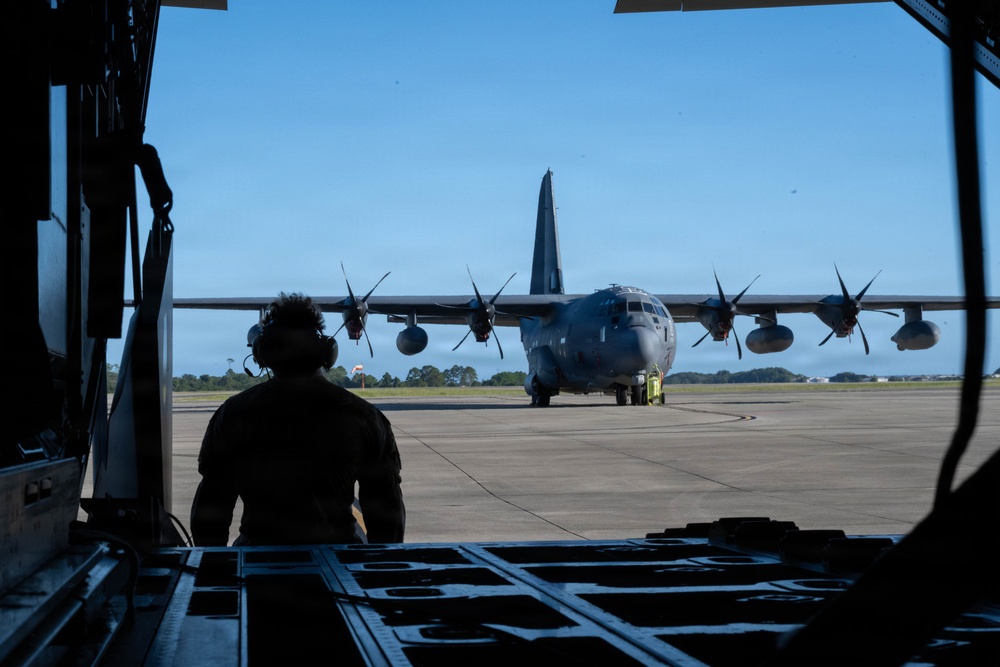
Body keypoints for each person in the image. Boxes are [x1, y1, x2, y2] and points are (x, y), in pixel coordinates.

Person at [190, 292, 405, 546]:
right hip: (340, 558)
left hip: (256, 563)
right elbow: (387, 519)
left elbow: (210, 514)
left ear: (263, 351)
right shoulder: (364, 417)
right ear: (326, 351)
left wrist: (218, 575)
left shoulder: (233, 414)